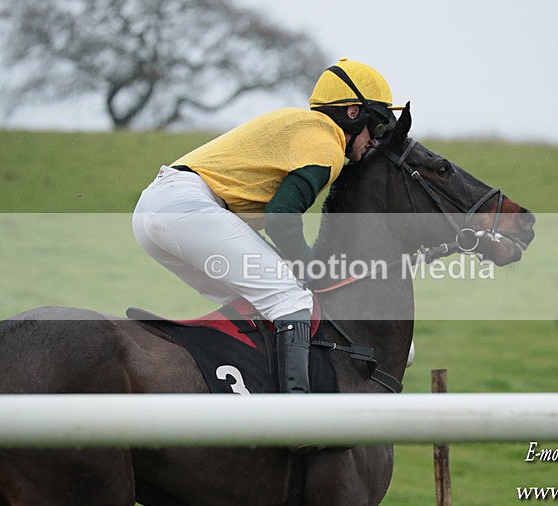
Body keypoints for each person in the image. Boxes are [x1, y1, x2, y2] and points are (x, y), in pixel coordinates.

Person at [132, 58, 399, 393]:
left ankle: (243, 388)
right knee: (291, 300)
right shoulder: (327, 144)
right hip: (188, 208)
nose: (374, 140)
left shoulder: (305, 127)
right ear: (352, 113)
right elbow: (281, 217)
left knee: (258, 304)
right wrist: (309, 270)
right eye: (376, 127)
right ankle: (293, 415)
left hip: (156, 211)